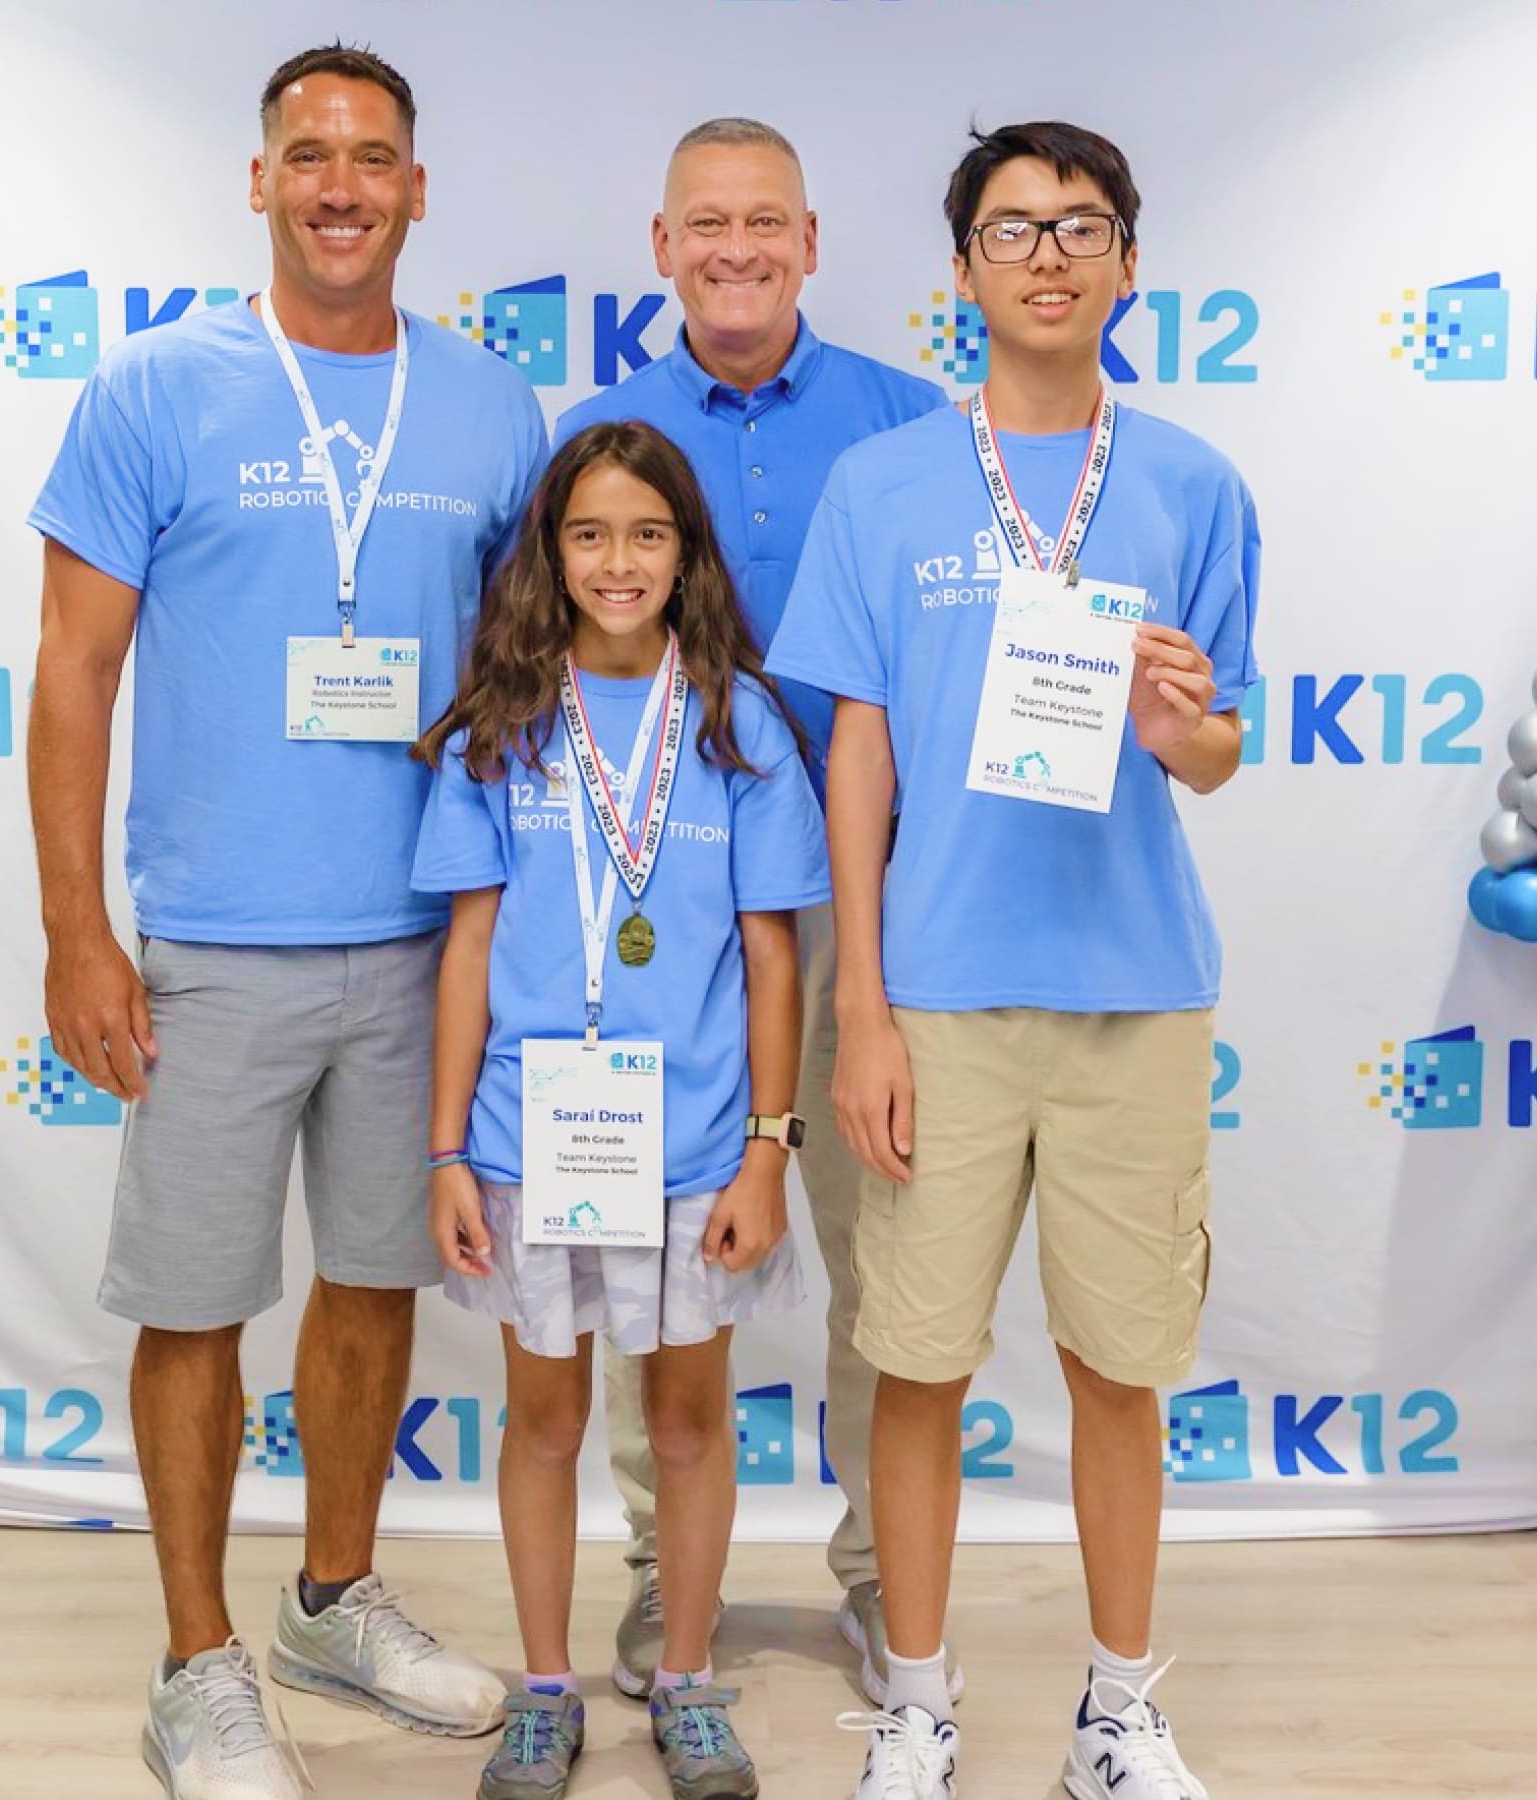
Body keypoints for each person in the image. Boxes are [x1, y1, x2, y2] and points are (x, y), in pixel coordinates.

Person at [26, 44, 546, 1800]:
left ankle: (331, 1596)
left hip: (415, 939)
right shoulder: (153, 390)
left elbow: (512, 680)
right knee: (194, 1304)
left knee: (374, 1286)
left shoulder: (490, 407)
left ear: (417, 191)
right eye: (308, 155)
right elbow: (75, 677)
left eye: (374, 158)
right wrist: (76, 935)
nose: (340, 185)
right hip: (212, 945)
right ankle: (197, 1661)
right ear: (259, 183)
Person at [767, 122, 1259, 1800]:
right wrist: (864, 1008)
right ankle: (915, 1698)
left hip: (1136, 993)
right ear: (962, 267)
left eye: (1082, 226)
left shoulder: (1193, 481)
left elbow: (1220, 755)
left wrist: (1181, 728)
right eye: (1011, 228)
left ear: (1131, 260)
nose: (1048, 255)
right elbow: (856, 759)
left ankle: (1120, 1710)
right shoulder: (887, 481)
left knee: (1121, 1371)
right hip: (943, 1002)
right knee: (917, 1365)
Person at [555, 116, 954, 1707]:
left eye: (765, 222)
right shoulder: (600, 427)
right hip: (648, 918)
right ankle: (669, 1578)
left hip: (867, 909)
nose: (736, 248)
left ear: (810, 239)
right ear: (660, 246)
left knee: (887, 1254)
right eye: (705, 223)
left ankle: (879, 1578)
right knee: (653, 1264)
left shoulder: (909, 422)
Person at [413, 420, 828, 1800]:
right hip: (535, 1135)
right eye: (588, 533)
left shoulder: (738, 721)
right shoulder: (505, 726)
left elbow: (775, 956)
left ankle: (690, 1680)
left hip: (702, 1142)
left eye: (649, 533)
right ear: (550, 551)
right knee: (542, 1420)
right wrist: (447, 1149)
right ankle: (545, 1690)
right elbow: (467, 950)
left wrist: (770, 1149)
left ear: (689, 552)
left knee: (692, 1423)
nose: (618, 560)